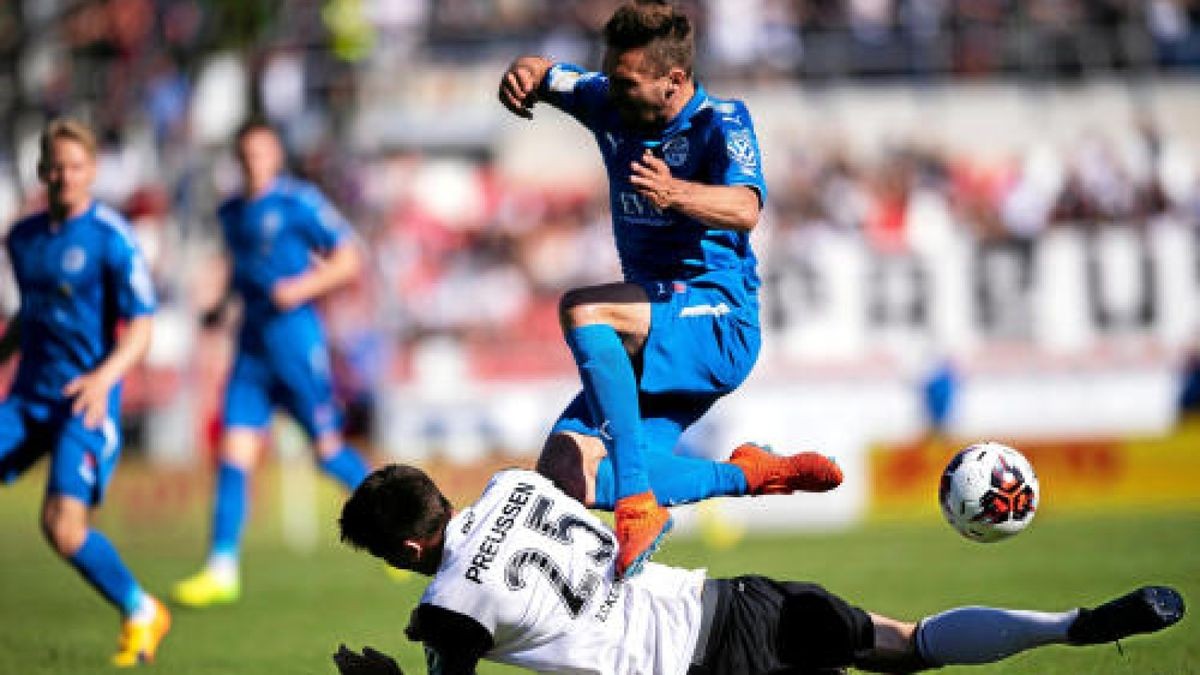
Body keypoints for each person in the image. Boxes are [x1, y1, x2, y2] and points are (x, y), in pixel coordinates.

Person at [497, 0, 842, 578]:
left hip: (716, 322)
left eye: (627, 82)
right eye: (609, 75)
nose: (613, 90)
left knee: (583, 310)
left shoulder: (721, 122)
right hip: (650, 334)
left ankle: (637, 506)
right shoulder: (608, 96)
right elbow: (544, 70)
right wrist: (525, 72)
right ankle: (750, 474)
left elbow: (745, 207)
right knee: (564, 470)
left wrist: (677, 193)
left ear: (673, 82)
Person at [334, 464, 1185, 675]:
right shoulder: (515, 483)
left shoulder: (448, 601)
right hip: (733, 600)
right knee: (907, 642)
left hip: (694, 666)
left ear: (408, 551)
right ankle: (1074, 626)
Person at [172, 119, 371, 607]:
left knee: (327, 451)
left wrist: (300, 289)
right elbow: (243, 271)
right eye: (245, 156)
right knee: (232, 456)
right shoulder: (231, 212)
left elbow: (350, 260)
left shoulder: (298, 203)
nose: (253, 163)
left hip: (295, 344)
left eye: (261, 154)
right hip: (251, 351)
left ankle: (404, 522)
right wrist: (219, 308)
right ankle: (221, 569)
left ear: (276, 155)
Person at [0, 118, 169, 667]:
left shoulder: (111, 238)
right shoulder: (21, 239)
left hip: (85, 401)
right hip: (28, 397)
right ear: (41, 170)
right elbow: (31, 317)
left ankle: (141, 609)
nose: (64, 176)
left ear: (91, 171)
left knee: (62, 527)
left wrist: (103, 378)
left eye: (75, 167)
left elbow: (143, 325)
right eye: (55, 166)